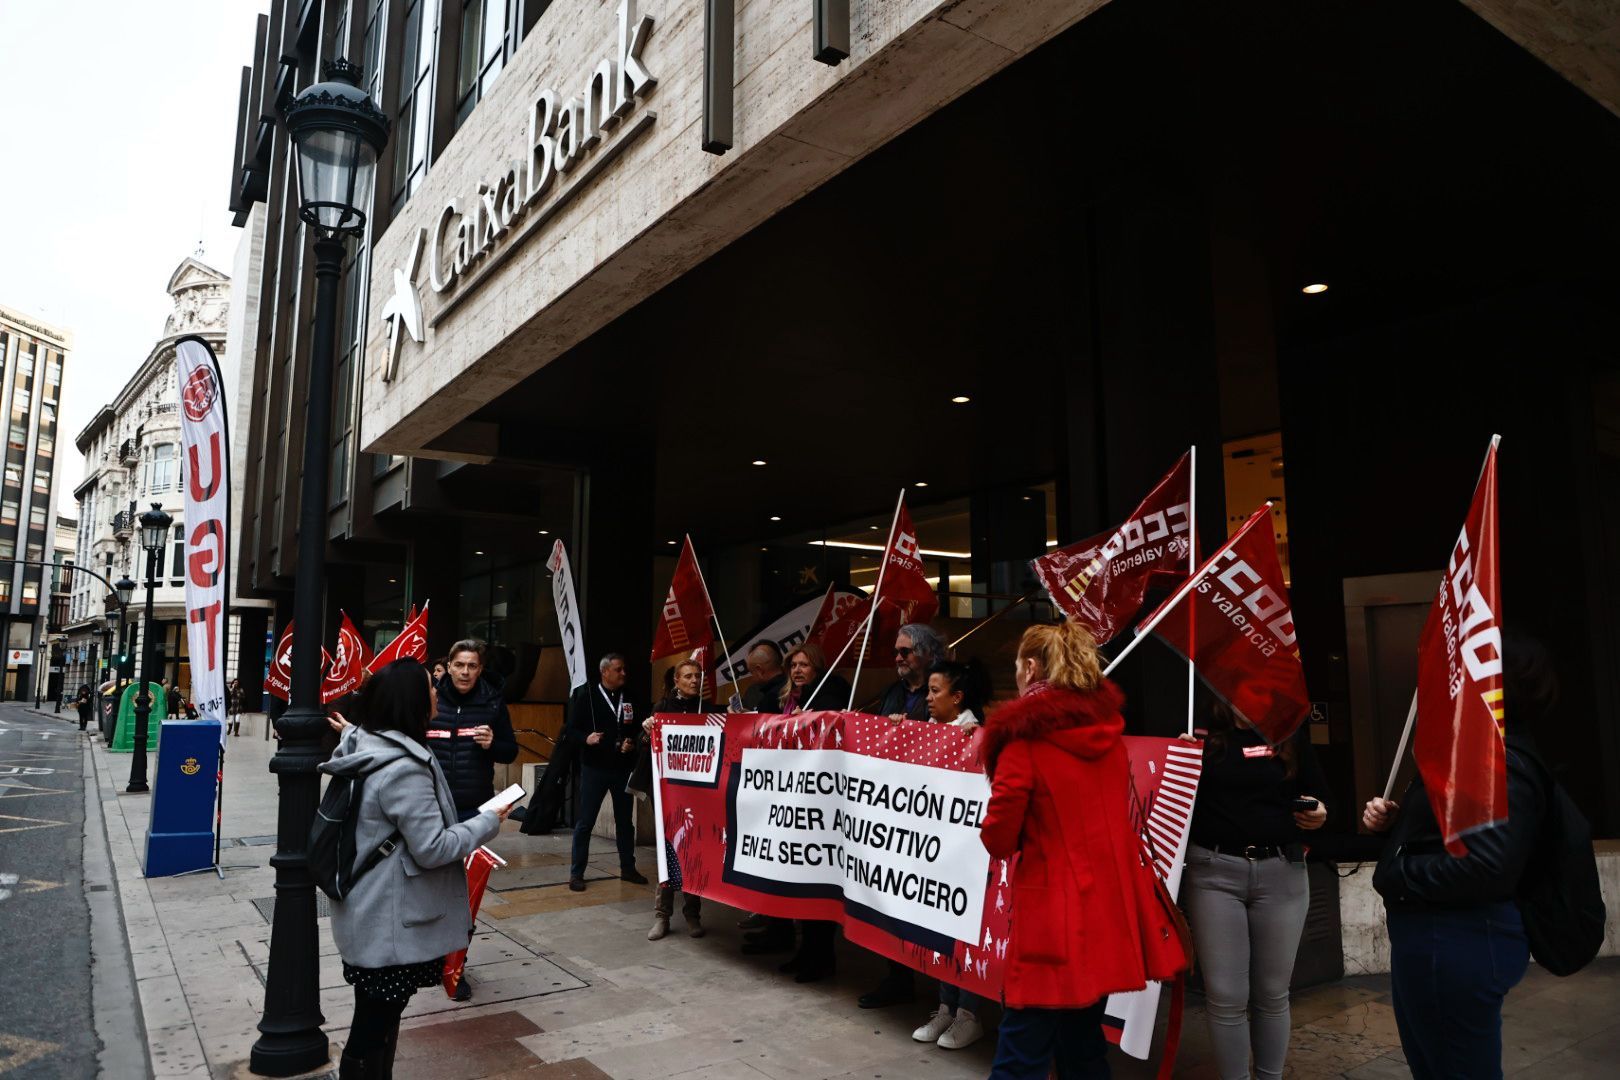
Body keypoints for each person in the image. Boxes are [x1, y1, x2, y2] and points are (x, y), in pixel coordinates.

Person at [979, 621, 1187, 1079]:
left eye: (1018, 664)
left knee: (1021, 1053)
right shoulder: (1107, 734)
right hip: (1101, 915)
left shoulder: (1023, 739)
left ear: (1031, 667)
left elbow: (999, 837)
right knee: (1083, 1048)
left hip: (1048, 919)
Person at [1361, 633, 1552, 1080]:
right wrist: (1395, 828)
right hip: (1434, 938)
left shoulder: (1499, 760)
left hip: (1456, 941)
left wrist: (1397, 870)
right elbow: (1454, 837)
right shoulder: (1465, 752)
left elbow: (1489, 867)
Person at [320, 659, 508, 1079]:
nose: (438, 692)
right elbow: (433, 848)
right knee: (374, 1027)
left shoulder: (369, 744)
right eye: (430, 686)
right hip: (389, 922)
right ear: (412, 702)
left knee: (374, 1019)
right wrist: (489, 819)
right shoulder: (404, 768)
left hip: (372, 910)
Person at [1176, 706, 1328, 1080]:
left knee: (1273, 994)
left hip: (1282, 873)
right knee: (1226, 996)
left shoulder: (1291, 739)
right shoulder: (1201, 737)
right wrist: (1177, 765)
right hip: (1213, 874)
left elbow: (1324, 800)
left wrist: (1320, 813)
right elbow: (1176, 804)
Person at [859, 623, 945, 1010]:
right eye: (896, 651)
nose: (898, 658)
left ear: (927, 653)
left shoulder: (944, 688)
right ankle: (897, 977)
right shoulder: (893, 693)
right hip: (893, 810)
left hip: (932, 813)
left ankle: (947, 993)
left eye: (905, 652)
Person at [427, 639, 518, 1001]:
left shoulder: (493, 702)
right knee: (432, 889)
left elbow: (510, 750)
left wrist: (493, 743)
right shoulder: (430, 698)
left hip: (471, 812)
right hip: (430, 810)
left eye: (473, 666)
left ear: (481, 669)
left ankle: (455, 967)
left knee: (466, 896)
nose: (466, 672)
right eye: (460, 665)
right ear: (448, 666)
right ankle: (432, 958)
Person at [910, 659, 989, 1050]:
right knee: (938, 929)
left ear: (958, 699)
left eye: (935, 691)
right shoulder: (930, 731)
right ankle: (945, 1006)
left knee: (961, 933)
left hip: (963, 855)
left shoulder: (976, 735)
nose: (927, 698)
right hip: (933, 850)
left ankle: (968, 1014)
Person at [566, 653, 647, 892]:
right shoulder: (587, 696)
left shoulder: (630, 696)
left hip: (622, 768)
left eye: (624, 669)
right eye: (618, 669)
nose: (624, 673)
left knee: (625, 822)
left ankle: (628, 868)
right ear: (605, 672)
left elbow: (639, 726)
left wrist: (632, 741)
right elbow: (570, 731)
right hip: (594, 769)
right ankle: (576, 873)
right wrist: (586, 738)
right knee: (586, 822)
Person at [645, 659, 706, 941]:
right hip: (669, 796)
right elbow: (645, 745)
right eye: (688, 676)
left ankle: (693, 915)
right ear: (677, 681)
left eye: (697, 676)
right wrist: (647, 729)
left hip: (698, 797)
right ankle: (662, 916)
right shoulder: (663, 709)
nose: (694, 681)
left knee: (694, 856)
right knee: (668, 854)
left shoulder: (709, 710)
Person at [738, 641, 787, 712]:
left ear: (759, 670)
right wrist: (750, 714)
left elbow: (765, 722)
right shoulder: (794, 687)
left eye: (752, 672)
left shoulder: (770, 698)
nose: (752, 678)